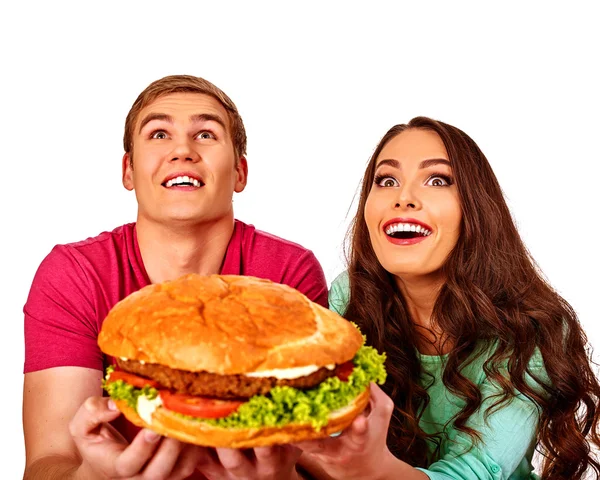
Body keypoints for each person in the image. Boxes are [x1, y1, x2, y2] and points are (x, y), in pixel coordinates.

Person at [22, 74, 327, 480]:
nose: (182, 150)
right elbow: (48, 461)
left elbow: (318, 461)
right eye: (159, 134)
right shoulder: (74, 275)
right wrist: (93, 475)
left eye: (205, 134)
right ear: (128, 171)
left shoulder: (288, 273)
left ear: (240, 172)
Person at [295, 117, 600, 479]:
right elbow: (324, 435)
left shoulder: (534, 327)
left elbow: (478, 470)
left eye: (437, 180)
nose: (402, 198)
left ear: (475, 207)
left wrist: (366, 468)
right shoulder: (353, 295)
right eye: (386, 180)